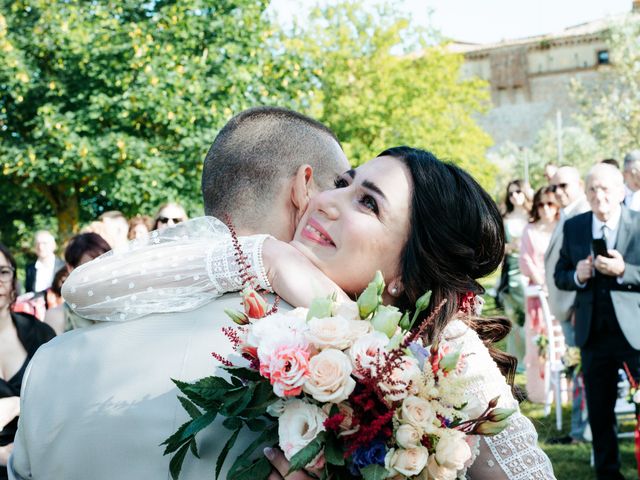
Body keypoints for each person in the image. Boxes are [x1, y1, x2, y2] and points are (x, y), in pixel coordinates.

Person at [35, 148, 553, 479]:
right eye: (345, 183)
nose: (327, 201)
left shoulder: (447, 357)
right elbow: (84, 289)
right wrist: (267, 255)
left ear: (406, 273)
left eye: (368, 203)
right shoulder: (270, 293)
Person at [8, 106, 351, 480]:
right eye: (340, 187)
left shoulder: (49, 363)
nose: (344, 208)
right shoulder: (321, 363)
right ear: (303, 188)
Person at [555, 163, 640, 479]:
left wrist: (625, 271)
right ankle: (608, 474)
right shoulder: (574, 226)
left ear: (620, 191)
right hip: (592, 335)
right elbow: (559, 274)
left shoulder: (639, 223)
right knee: (601, 413)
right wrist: (576, 274)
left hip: (636, 333)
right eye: (591, 189)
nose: (598, 195)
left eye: (604, 188)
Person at [543, 165, 591, 444]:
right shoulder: (567, 214)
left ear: (580, 184)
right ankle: (579, 429)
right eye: (554, 187)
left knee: (579, 368)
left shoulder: (583, 214)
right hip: (567, 307)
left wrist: (576, 307)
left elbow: (584, 266)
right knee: (576, 368)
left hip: (576, 309)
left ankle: (581, 432)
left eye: (564, 186)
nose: (558, 192)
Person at [0, 244, 55, 480]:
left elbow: (66, 398)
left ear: (13, 279)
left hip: (40, 465)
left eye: (3, 271)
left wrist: (17, 403)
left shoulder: (41, 335)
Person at [519, 186, 559, 403]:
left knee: (560, 340)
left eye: (550, 204)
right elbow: (525, 260)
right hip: (538, 291)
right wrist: (542, 281)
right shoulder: (530, 230)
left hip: (560, 287)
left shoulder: (561, 227)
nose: (545, 209)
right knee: (539, 339)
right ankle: (540, 391)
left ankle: (564, 389)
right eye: (541, 204)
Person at [43, 233, 112, 334]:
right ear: (71, 268)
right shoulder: (57, 317)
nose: (98, 273)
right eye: (89, 267)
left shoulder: (123, 307)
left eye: (102, 265)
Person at [497, 179, 531, 373]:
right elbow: (499, 246)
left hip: (530, 271)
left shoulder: (533, 214)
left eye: (518, 192)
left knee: (531, 316)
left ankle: (533, 356)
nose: (515, 196)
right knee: (514, 317)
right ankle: (517, 358)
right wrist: (511, 247)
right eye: (511, 193)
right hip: (511, 272)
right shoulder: (505, 217)